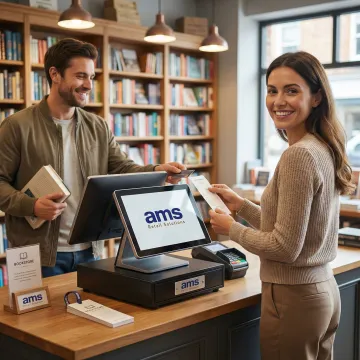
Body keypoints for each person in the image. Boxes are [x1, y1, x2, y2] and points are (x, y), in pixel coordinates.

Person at [208, 51, 354, 360]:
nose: (278, 100)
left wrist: (230, 229)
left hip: (294, 299)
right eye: (272, 90)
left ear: (316, 97)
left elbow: (285, 247)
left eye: (291, 90)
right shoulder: (320, 146)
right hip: (322, 291)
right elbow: (293, 226)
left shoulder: (298, 155)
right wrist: (242, 207)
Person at [0, 38, 185, 278]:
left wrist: (157, 170)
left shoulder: (97, 126)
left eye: (91, 77)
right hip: (36, 255)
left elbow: (122, 168)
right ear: (54, 74)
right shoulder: (17, 126)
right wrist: (32, 205)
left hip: (90, 251)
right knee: (38, 317)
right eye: (80, 76)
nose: (88, 85)